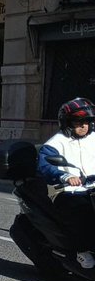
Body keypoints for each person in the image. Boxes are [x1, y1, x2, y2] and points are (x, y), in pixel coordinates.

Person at [37, 97, 95, 269]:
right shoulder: (55, 143)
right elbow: (45, 165)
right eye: (78, 122)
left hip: (92, 188)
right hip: (67, 190)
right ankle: (82, 251)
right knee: (82, 212)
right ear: (67, 123)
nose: (83, 125)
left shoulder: (93, 138)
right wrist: (65, 177)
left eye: (87, 121)